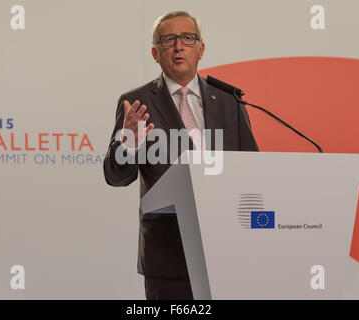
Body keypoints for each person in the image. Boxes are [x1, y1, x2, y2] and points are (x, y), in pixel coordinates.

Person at [103, 10, 258, 300]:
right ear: (155, 53)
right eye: (168, 39)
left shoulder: (229, 100)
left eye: (187, 38)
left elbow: (252, 168)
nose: (178, 46)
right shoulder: (135, 103)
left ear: (201, 49)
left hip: (227, 250)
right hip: (167, 253)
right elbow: (115, 176)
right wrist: (129, 144)